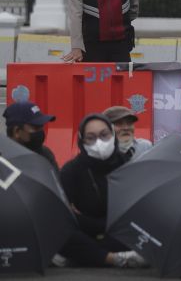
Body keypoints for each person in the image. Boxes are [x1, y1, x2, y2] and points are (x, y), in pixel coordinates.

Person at [58, 113, 147, 268]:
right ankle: (114, 259)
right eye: (91, 138)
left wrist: (88, 220)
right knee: (62, 235)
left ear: (112, 134)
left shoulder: (127, 165)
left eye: (104, 135)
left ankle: (87, 257)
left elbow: (134, 214)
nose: (99, 142)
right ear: (81, 140)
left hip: (119, 235)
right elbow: (67, 218)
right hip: (84, 234)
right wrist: (100, 224)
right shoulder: (71, 171)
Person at [2, 101, 58, 169]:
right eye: (36, 127)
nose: (41, 131)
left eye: (41, 126)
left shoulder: (45, 154)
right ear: (17, 131)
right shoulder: (3, 161)